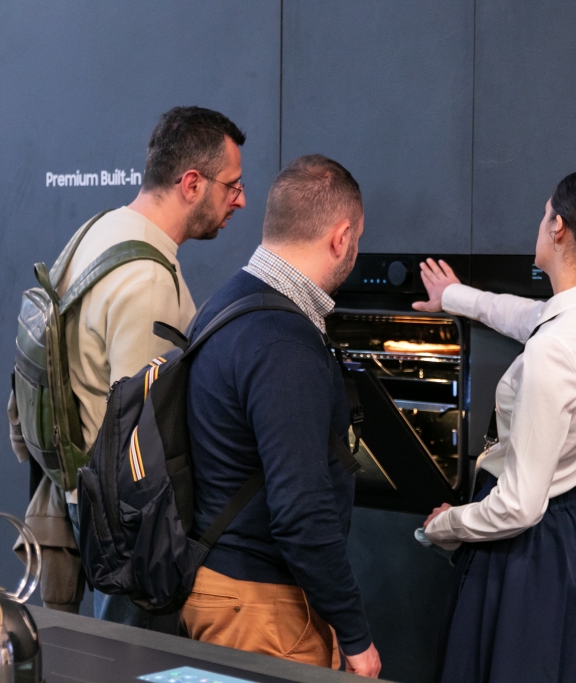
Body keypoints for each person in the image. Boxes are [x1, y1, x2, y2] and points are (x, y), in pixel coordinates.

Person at [15, 106, 247, 627]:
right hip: (127, 526)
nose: (240, 200)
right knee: (137, 659)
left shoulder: (96, 231)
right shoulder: (146, 277)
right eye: (232, 185)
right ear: (192, 183)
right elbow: (145, 442)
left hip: (82, 496)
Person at [416, 168, 576, 683]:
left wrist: (445, 526)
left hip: (526, 550)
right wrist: (456, 297)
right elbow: (535, 317)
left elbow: (519, 506)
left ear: (558, 227)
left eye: (544, 214)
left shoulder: (555, 350)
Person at [181, 155, 382, 678]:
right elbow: (300, 511)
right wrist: (356, 635)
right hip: (262, 607)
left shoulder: (227, 302)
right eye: (357, 240)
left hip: (226, 589)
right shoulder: (283, 342)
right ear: (341, 237)